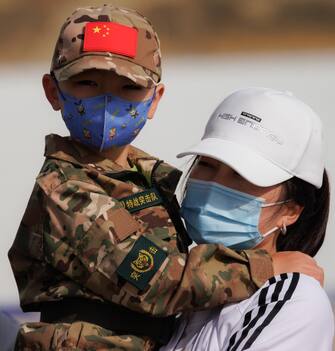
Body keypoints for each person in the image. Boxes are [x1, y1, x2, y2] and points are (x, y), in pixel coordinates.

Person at [8, 5, 323, 350]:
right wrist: (264, 266)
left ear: (154, 99)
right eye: (87, 82)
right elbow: (157, 281)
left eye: (128, 87)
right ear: (53, 91)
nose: (107, 100)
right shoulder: (64, 190)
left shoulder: (150, 177)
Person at [161, 87, 334, 351]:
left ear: (292, 210)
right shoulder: (175, 283)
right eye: (207, 165)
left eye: (242, 176)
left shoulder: (291, 299)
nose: (215, 185)